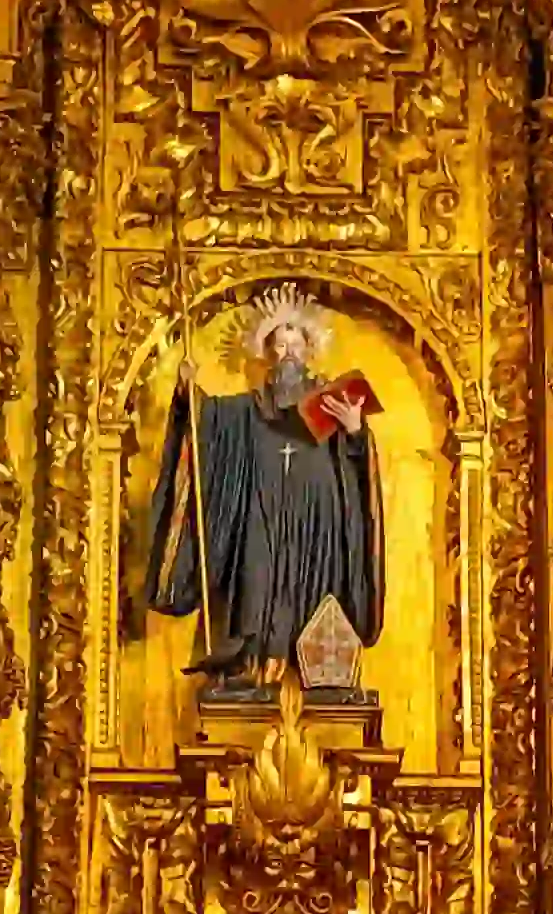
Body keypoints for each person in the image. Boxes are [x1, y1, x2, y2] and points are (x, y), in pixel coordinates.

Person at [146, 289, 384, 692]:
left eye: (295, 343)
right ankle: (250, 670)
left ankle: (322, 681)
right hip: (262, 516)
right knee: (256, 582)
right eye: (279, 343)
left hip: (317, 524)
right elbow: (208, 426)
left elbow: (359, 472)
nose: (288, 351)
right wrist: (190, 394)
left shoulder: (330, 405)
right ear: (267, 352)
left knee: (318, 600)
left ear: (310, 350)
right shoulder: (247, 410)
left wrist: (355, 429)